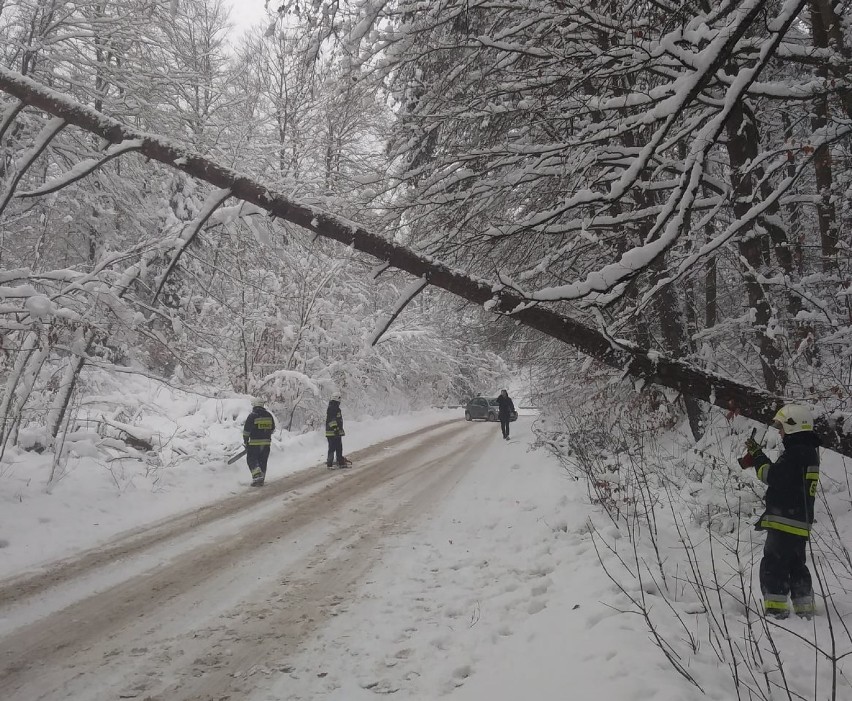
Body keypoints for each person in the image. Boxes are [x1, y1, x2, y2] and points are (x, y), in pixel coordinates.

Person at [741, 403, 820, 619]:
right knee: (796, 565)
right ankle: (805, 609)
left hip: (784, 519)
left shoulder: (796, 453)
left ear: (793, 426)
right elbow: (785, 478)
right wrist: (759, 456)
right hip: (800, 522)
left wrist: (757, 456)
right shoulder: (809, 453)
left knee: (774, 564)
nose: (780, 431)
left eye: (782, 427)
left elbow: (772, 477)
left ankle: (776, 610)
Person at [242, 397, 275, 486]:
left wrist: (245, 440)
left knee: (252, 460)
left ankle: (257, 477)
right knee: (263, 461)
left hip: (254, 443)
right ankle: (262, 478)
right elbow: (272, 428)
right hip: (266, 444)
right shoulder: (269, 415)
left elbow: (246, 430)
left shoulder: (253, 415)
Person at [325, 395, 350, 468]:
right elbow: (332, 420)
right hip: (333, 432)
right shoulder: (333, 408)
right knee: (334, 447)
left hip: (334, 432)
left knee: (337, 447)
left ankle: (339, 461)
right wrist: (336, 429)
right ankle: (331, 463)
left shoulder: (333, 407)